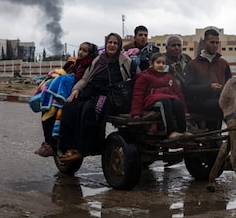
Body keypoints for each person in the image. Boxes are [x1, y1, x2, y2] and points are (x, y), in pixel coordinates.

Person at [184, 28, 236, 185]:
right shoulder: (193, 65)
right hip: (199, 104)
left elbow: (231, 85)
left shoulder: (223, 64)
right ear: (204, 42)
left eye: (217, 42)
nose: (215, 45)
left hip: (220, 102)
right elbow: (187, 89)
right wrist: (209, 87)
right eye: (211, 42)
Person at [58, 33, 136, 162]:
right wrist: (76, 90)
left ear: (119, 46)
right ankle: (68, 147)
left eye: (115, 43)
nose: (112, 45)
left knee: (90, 110)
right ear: (106, 45)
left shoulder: (125, 61)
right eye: (110, 42)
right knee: (69, 107)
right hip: (90, 91)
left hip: (110, 95)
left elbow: (137, 77)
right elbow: (85, 78)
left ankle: (84, 148)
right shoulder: (98, 60)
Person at [35, 42, 98, 157]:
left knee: (57, 111)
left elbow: (80, 80)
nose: (81, 52)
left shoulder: (89, 66)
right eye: (80, 49)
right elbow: (66, 74)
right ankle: (49, 143)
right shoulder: (77, 64)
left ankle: (53, 144)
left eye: (85, 51)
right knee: (46, 109)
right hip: (68, 93)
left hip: (78, 95)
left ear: (90, 54)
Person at [130, 52, 190, 139]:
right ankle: (170, 131)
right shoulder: (144, 77)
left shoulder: (169, 77)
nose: (161, 65)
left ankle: (183, 130)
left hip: (169, 99)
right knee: (165, 102)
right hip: (152, 101)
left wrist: (185, 111)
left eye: (163, 63)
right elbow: (138, 95)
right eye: (158, 62)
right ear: (151, 64)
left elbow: (178, 93)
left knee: (178, 102)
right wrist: (136, 113)